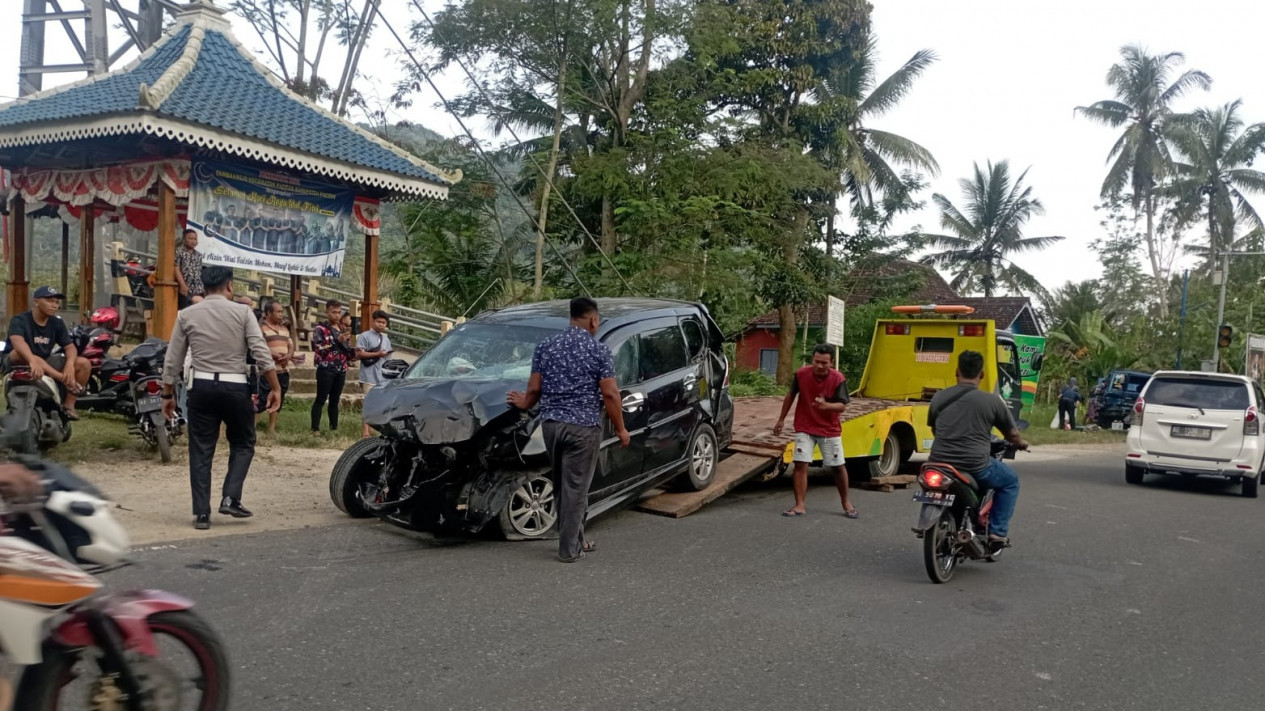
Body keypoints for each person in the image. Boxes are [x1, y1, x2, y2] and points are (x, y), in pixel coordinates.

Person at [507, 297, 630, 563]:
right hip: (583, 429)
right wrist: (621, 429)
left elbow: (535, 388)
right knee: (576, 490)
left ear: (571, 317)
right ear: (593, 320)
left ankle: (577, 540)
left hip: (551, 426)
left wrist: (524, 403)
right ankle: (568, 550)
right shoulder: (598, 351)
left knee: (564, 486)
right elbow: (609, 394)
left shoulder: (546, 347)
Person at [162, 266, 281, 531]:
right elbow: (260, 352)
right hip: (235, 387)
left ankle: (202, 514)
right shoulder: (242, 312)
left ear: (203, 287)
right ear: (229, 286)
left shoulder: (186, 314)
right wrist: (275, 386)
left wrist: (167, 393)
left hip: (200, 387)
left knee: (201, 449)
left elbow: (173, 359)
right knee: (243, 441)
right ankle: (231, 497)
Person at [927, 350, 1029, 549]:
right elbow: (1012, 435)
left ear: (957, 371)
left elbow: (935, 429)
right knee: (1010, 481)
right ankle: (997, 533)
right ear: (981, 374)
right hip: (975, 465)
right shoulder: (991, 401)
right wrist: (1020, 443)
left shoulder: (939, 397)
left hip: (937, 462)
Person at [772, 344, 857, 518]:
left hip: (829, 429)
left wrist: (826, 406)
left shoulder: (838, 378)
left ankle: (846, 503)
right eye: (817, 361)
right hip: (805, 426)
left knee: (837, 466)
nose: (820, 366)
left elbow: (842, 405)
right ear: (812, 360)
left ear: (831, 363)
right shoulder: (801, 374)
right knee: (800, 463)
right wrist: (781, 419)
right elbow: (791, 395)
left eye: (824, 363)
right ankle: (799, 505)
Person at [6, 286, 90, 419]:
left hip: (45, 361)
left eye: (56, 302)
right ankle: (65, 380)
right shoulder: (20, 319)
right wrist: (32, 361)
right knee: (22, 353)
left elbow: (70, 347)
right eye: (50, 301)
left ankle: (69, 406)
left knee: (84, 363)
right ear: (36, 302)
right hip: (18, 361)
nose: (54, 305)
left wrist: (69, 364)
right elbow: (18, 342)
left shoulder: (56, 322)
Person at [311, 299, 353, 432]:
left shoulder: (343, 328)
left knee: (335, 400)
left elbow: (347, 349)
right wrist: (336, 341)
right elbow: (319, 348)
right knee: (321, 399)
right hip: (326, 368)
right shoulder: (320, 329)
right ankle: (315, 428)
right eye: (334, 312)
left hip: (341, 368)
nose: (337, 315)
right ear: (327, 312)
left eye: (339, 312)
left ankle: (334, 428)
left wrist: (354, 350)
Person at [258, 299, 294, 435]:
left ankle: (271, 428)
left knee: (279, 397)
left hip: (283, 370)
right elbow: (258, 346)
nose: (281, 314)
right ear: (268, 313)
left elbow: (290, 345)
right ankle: (253, 426)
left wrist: (289, 355)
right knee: (262, 398)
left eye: (282, 312)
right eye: (278, 312)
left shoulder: (284, 329)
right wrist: (273, 354)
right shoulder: (261, 328)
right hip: (266, 370)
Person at [356, 310, 393, 438]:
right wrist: (377, 354)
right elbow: (359, 353)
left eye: (383, 322)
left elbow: (389, 358)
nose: (381, 325)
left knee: (380, 404)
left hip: (382, 376)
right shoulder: (364, 336)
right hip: (368, 375)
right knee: (368, 403)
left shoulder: (386, 339)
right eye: (379, 322)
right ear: (373, 321)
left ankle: (378, 428)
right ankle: (365, 431)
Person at [174, 228, 205, 310]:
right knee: (184, 310)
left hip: (198, 289)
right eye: (190, 238)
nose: (193, 241)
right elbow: (176, 268)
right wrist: (183, 285)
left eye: (195, 239)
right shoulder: (178, 252)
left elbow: (199, 272)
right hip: (185, 287)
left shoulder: (198, 255)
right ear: (184, 239)